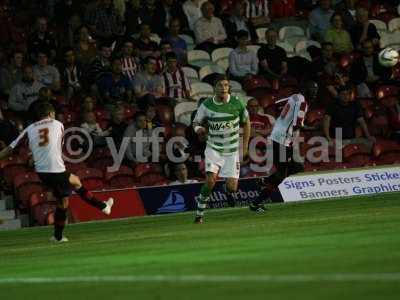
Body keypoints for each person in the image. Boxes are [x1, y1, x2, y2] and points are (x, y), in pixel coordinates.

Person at [0, 102, 114, 242]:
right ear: (50, 114)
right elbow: (58, 145)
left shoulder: (29, 128)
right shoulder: (58, 124)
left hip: (42, 172)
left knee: (69, 192)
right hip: (55, 169)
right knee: (68, 194)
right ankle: (101, 208)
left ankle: (61, 234)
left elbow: (11, 148)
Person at [249, 81, 318, 211]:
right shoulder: (303, 103)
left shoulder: (294, 96)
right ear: (307, 91)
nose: (314, 94)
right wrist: (313, 128)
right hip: (282, 141)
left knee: (296, 167)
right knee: (281, 175)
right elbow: (298, 124)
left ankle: (264, 186)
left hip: (278, 137)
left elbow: (277, 104)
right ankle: (259, 195)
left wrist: (282, 121)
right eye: (313, 91)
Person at [192, 74, 250, 223]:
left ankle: (227, 191)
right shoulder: (206, 104)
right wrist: (199, 129)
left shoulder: (238, 103)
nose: (223, 88)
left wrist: (245, 146)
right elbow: (196, 122)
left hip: (232, 151)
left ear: (228, 87)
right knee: (210, 181)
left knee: (232, 188)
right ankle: (199, 214)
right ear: (214, 88)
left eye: (225, 85)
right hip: (213, 148)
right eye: (220, 85)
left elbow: (247, 123)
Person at [323, 84, 376, 149]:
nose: (345, 96)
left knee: (370, 143)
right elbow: (326, 121)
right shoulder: (332, 105)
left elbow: (361, 121)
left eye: (347, 94)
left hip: (352, 139)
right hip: (337, 139)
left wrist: (368, 136)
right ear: (338, 95)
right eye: (343, 94)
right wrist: (328, 138)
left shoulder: (354, 105)